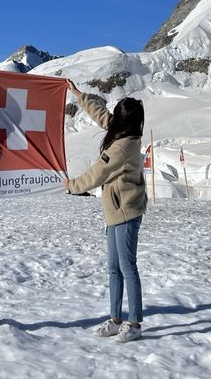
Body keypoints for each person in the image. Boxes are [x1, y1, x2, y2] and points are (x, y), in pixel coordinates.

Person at [64, 79, 147, 343]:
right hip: (115, 211)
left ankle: (134, 323)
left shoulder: (123, 146)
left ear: (125, 120)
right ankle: (115, 319)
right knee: (114, 267)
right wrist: (79, 95)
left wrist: (73, 185)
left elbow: (98, 172)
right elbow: (102, 117)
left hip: (125, 212)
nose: (113, 118)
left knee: (127, 267)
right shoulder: (123, 132)